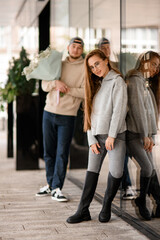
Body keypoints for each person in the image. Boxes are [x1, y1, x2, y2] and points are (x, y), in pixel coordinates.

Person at [67, 49, 127, 223]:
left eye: (97, 64)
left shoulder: (118, 82)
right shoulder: (95, 84)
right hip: (97, 136)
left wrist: (112, 135)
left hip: (116, 136)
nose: (95, 69)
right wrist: (91, 139)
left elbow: (119, 111)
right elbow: (90, 114)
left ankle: (106, 205)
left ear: (106, 60)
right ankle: (83, 211)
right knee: (91, 172)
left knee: (116, 172)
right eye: (92, 67)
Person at [36, 37, 85, 201]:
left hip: (68, 116)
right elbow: (44, 85)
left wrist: (68, 89)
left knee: (62, 153)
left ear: (82, 50)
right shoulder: (58, 63)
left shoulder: (85, 68)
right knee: (48, 152)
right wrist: (55, 83)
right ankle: (50, 185)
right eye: (73, 46)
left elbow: (86, 92)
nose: (76, 50)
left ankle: (57, 187)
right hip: (48, 112)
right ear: (68, 47)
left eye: (79, 47)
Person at [98, 37, 136, 200]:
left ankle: (125, 184)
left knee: (123, 154)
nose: (106, 49)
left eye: (108, 47)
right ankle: (120, 185)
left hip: (123, 116)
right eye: (103, 47)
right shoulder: (98, 69)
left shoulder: (117, 67)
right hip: (104, 120)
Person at [126, 51, 160, 220]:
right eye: (154, 64)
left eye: (158, 66)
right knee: (147, 168)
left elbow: (148, 111)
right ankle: (141, 200)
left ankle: (159, 204)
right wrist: (145, 135)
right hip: (135, 134)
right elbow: (138, 110)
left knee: (151, 169)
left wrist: (150, 134)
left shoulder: (143, 81)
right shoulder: (135, 80)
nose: (156, 69)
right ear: (145, 62)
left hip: (144, 134)